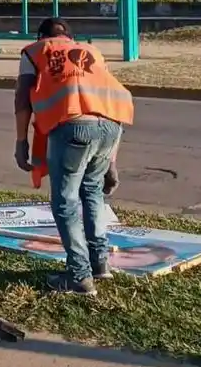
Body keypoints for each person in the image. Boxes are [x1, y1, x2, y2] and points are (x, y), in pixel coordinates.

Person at [13, 17, 134, 296]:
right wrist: (111, 162)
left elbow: (22, 98)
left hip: (74, 127)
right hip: (111, 127)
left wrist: (21, 142)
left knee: (65, 202)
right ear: (70, 37)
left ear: (42, 35)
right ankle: (99, 263)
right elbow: (107, 103)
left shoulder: (35, 51)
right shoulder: (92, 52)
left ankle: (79, 275)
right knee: (92, 192)